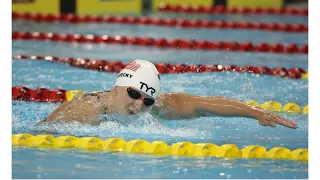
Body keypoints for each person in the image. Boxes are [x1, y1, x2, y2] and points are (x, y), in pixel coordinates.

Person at [38, 59, 297, 129]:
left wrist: (254, 113)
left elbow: (206, 106)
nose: (139, 105)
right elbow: (42, 133)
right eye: (133, 93)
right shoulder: (86, 112)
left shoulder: (158, 107)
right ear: (117, 86)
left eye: (147, 100)